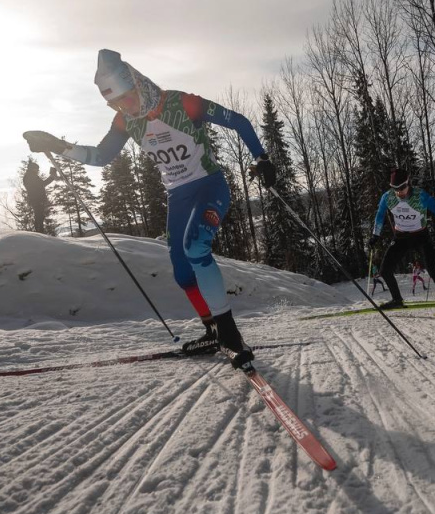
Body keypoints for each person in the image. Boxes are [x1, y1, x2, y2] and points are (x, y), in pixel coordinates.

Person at [24, 49, 274, 370]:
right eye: (116, 104)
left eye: (127, 98)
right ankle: (212, 328)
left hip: (208, 186)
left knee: (196, 247)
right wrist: (58, 146)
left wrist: (261, 158)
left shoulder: (181, 103)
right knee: (183, 274)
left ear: (138, 83)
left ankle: (229, 333)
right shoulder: (125, 120)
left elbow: (237, 121)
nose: (125, 107)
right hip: (178, 198)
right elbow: (101, 156)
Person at [367, 168, 435, 321]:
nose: (399, 192)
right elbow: (380, 216)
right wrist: (375, 235)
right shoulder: (388, 197)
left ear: (408, 183)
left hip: (420, 236)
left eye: (402, 187)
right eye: (395, 189)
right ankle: (397, 300)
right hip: (401, 237)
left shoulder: (420, 196)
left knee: (433, 270)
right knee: (385, 270)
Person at [23, 161, 57, 234]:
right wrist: (51, 177)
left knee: (39, 216)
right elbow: (42, 184)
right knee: (39, 216)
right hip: (36, 199)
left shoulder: (30, 176)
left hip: (36, 199)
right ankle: (39, 232)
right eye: (36, 169)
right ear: (32, 169)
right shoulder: (30, 177)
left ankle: (39, 232)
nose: (38, 171)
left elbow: (40, 185)